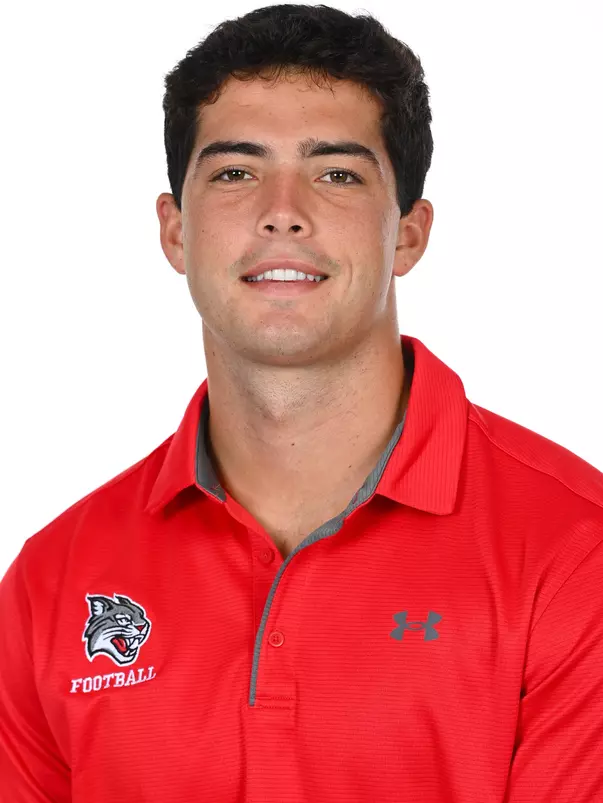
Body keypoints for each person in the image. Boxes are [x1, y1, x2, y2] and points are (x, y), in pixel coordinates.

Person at [1, 3, 602, 801]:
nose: (282, 209)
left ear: (407, 235)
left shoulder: (574, 553)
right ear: (175, 232)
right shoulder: (53, 578)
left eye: (336, 173)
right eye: (236, 171)